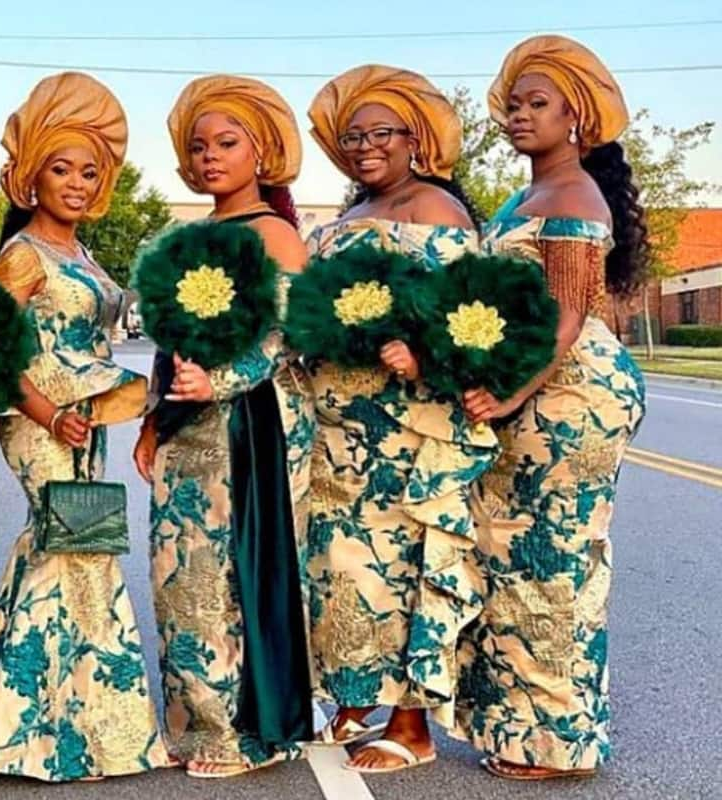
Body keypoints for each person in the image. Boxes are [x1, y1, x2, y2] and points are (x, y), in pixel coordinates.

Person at [455, 34, 648, 781]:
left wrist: (507, 393)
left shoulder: (570, 195)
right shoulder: (525, 195)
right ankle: (524, 726)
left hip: (567, 394)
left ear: (577, 118)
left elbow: (565, 320)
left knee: (552, 560)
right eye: (513, 104)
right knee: (512, 553)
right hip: (534, 386)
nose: (517, 116)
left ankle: (558, 742)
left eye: (538, 104)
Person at [301, 65, 498, 774]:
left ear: (415, 139)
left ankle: (411, 724)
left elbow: (469, 313)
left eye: (380, 133)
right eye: (352, 136)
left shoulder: (437, 210)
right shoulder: (346, 217)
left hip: (407, 429)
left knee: (406, 566)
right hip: (338, 430)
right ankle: (356, 696)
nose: (363, 146)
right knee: (343, 570)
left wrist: (421, 351)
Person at [0, 72, 168, 782]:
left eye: (90, 171)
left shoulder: (79, 253)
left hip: (90, 416)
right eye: (62, 169)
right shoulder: (23, 254)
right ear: (31, 178)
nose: (78, 183)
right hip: (41, 419)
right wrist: (47, 413)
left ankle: (65, 723)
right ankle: (34, 738)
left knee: (64, 543)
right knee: (69, 547)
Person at [132, 74, 315, 779]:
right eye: (199, 146)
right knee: (179, 573)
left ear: (261, 152)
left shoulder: (274, 234)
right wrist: (155, 421)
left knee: (224, 573)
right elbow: (168, 340)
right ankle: (192, 722)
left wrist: (219, 382)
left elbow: (286, 335)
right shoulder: (193, 235)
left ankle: (236, 729)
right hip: (186, 423)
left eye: (227, 143)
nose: (211, 157)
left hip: (246, 424)